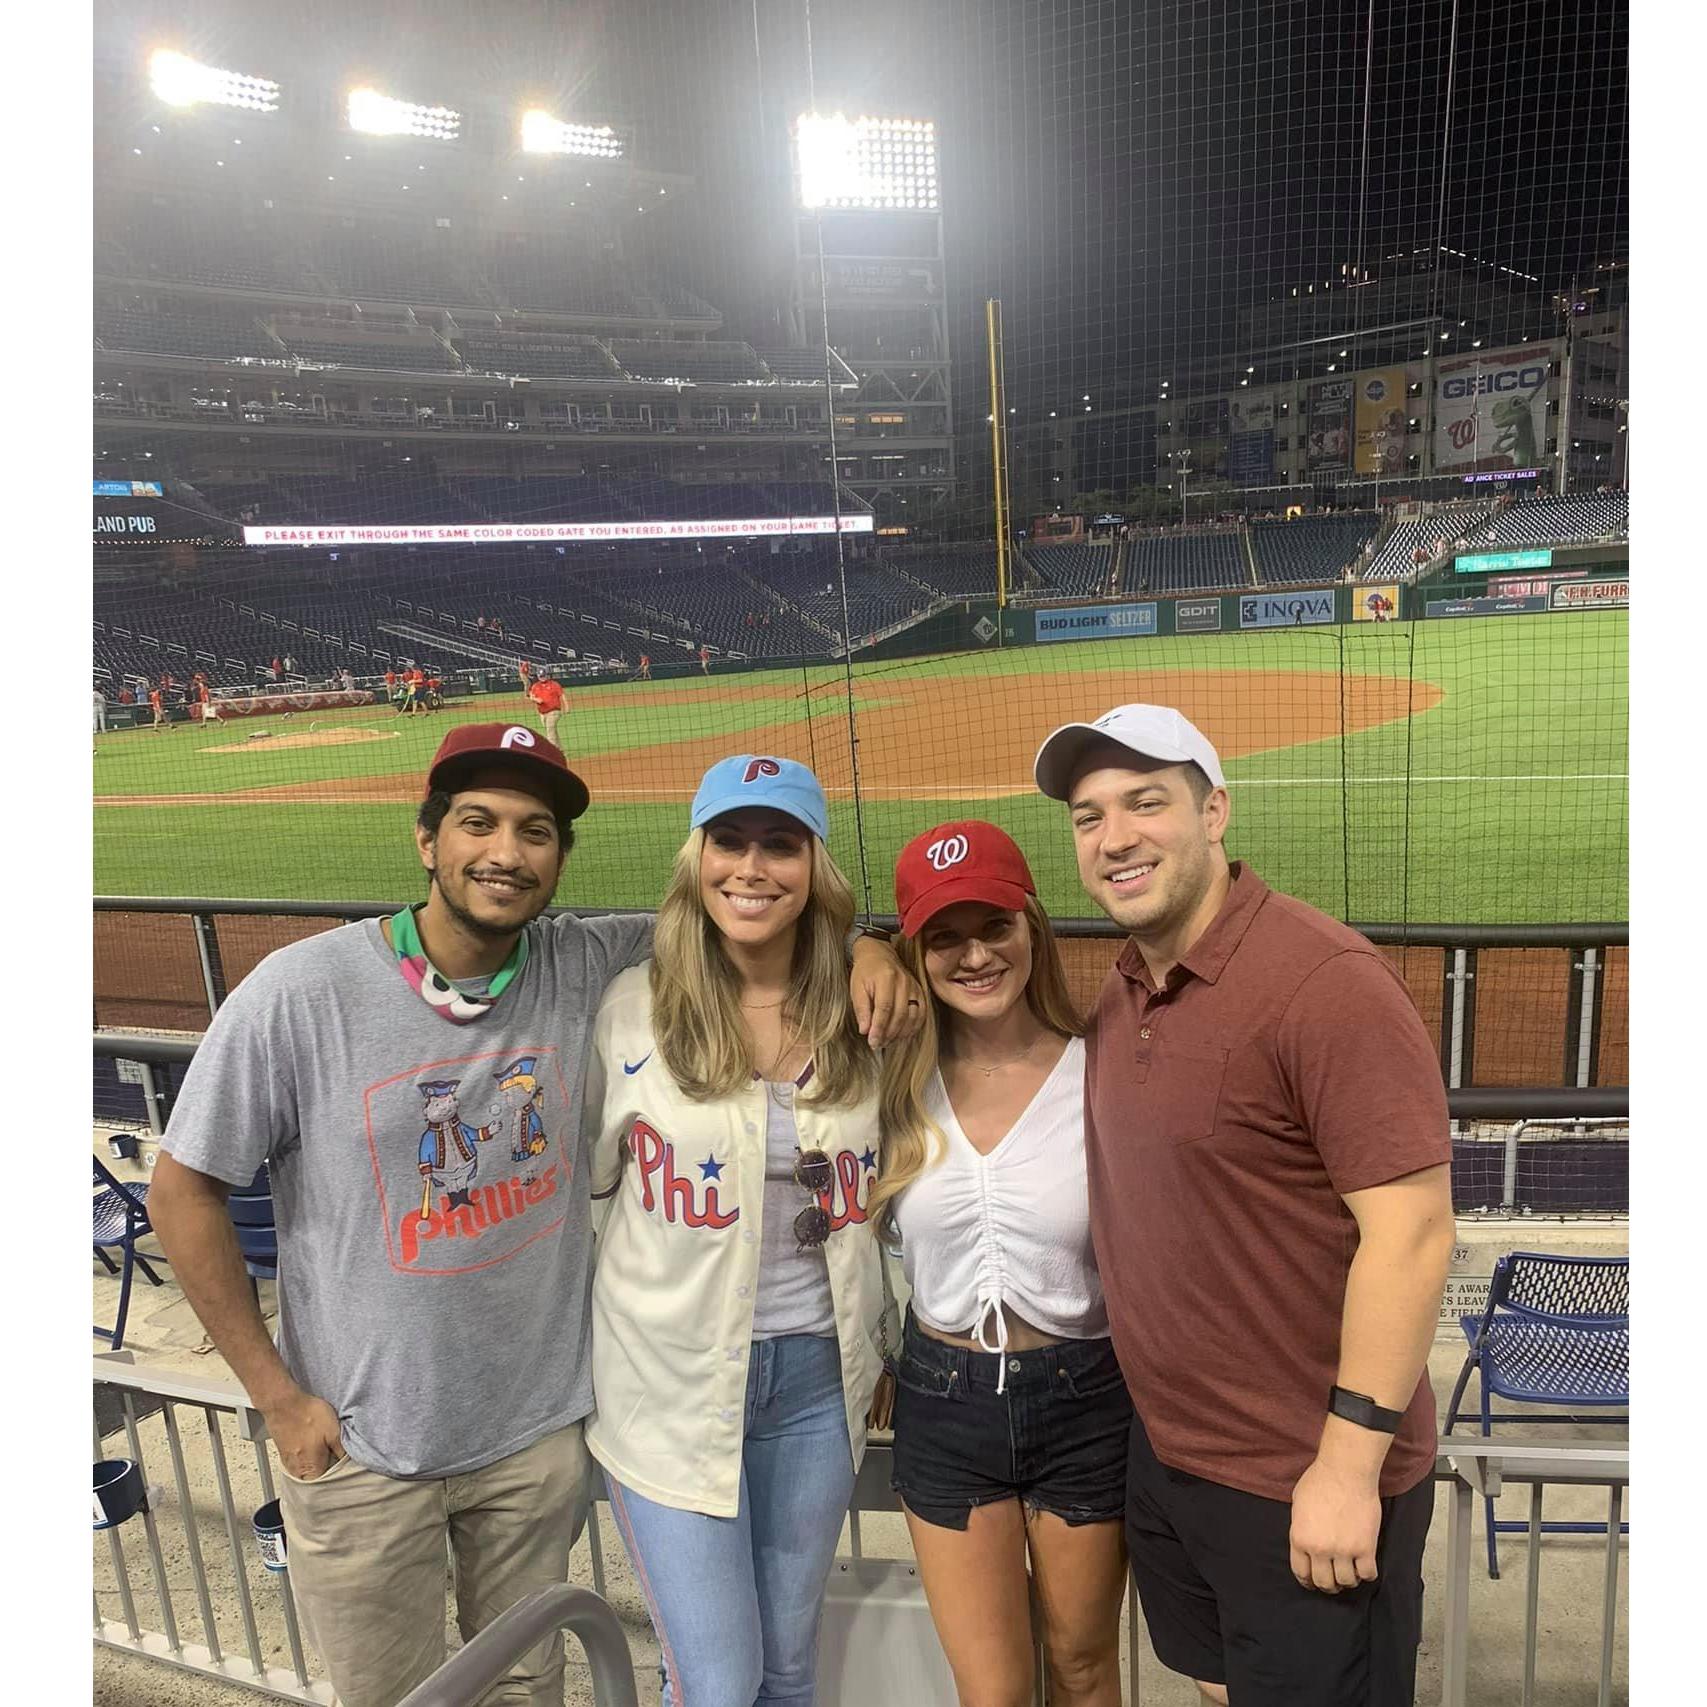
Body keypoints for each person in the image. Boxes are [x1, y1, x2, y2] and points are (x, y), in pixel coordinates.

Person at [147, 725, 919, 1707]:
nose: (506, 853)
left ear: (560, 857)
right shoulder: (305, 992)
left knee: (541, 1686)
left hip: (535, 1439)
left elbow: (759, 926)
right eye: (478, 823)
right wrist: (275, 1394)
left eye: (535, 831)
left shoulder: (578, 965)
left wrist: (869, 944)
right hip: (367, 1440)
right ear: (428, 839)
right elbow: (184, 1188)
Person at [1031, 705, 1454, 1707]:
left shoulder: (1326, 981)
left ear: (1216, 811)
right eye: (1090, 817)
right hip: (1172, 1459)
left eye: (1146, 803)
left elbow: (1414, 1230)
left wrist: (1349, 1469)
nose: (1115, 836)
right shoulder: (1126, 987)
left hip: (1306, 1477)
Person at [584, 755, 889, 1707]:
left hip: (817, 1382)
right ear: (697, 856)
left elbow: (904, 1189)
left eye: (779, 843)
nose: (751, 867)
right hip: (667, 1383)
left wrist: (880, 947)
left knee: (790, 1670)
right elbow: (589, 1192)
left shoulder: (870, 1007)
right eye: (729, 840)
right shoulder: (629, 1002)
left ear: (814, 867)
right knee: (717, 1682)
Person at [869, 821, 1129, 1707]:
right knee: (993, 1692)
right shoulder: (889, 1080)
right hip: (944, 1403)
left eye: (993, 927)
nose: (973, 954)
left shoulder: (1100, 1072)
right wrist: (862, 946)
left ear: (1032, 928)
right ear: (915, 953)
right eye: (943, 936)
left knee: (1085, 1668)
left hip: (1087, 1397)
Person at [527, 672, 565, 748]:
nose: (542, 677)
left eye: (544, 676)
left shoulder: (554, 684)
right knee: (551, 730)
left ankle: (551, 749)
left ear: (547, 676)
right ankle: (559, 749)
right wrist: (536, 699)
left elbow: (562, 695)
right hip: (543, 713)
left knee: (550, 729)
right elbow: (531, 696)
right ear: (538, 677)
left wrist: (567, 706)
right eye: (541, 676)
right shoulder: (535, 686)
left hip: (554, 711)